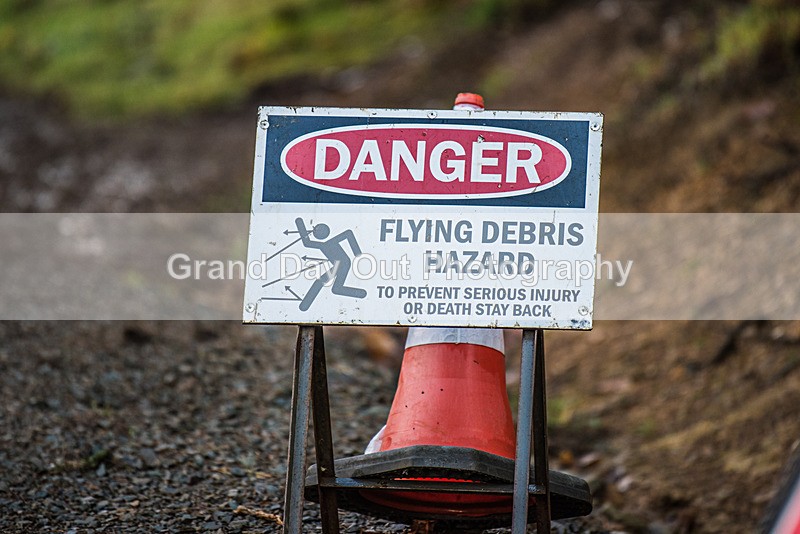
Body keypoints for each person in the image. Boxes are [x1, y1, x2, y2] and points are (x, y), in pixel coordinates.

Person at [295, 217, 367, 311]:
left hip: (343, 264)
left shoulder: (327, 244)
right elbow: (307, 243)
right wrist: (300, 224)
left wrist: (357, 252)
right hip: (341, 264)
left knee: (324, 284)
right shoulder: (324, 245)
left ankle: (361, 293)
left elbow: (348, 233)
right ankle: (361, 293)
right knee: (334, 288)